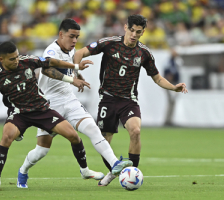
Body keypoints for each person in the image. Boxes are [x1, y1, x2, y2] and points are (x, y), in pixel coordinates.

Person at [74, 14, 188, 186]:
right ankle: (115, 170)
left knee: (135, 131)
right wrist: (76, 71)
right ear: (125, 27)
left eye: (138, 32)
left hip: (128, 100)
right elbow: (80, 52)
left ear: (143, 32)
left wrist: (173, 87)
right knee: (104, 142)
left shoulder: (144, 53)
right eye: (132, 30)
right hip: (107, 99)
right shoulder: (110, 43)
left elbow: (157, 78)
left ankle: (131, 174)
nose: (134, 34)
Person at [17, 18, 132, 189]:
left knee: (92, 129)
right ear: (61, 34)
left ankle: (114, 163)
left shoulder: (71, 50)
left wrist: (78, 77)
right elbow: (47, 70)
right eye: (71, 36)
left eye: (77, 37)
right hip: (49, 106)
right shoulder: (52, 51)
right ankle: (23, 171)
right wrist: (72, 79)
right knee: (42, 151)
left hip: (69, 101)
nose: (74, 41)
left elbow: (70, 69)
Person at [0, 41, 95, 192]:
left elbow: (50, 62)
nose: (16, 61)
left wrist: (75, 67)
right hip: (19, 113)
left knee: (72, 135)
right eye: (12, 59)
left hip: (41, 109)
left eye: (17, 56)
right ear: (1, 59)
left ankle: (85, 170)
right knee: (7, 136)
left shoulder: (27, 61)